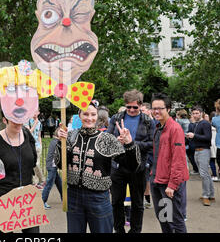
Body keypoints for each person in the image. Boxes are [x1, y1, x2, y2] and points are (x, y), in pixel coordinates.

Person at [57, 101, 141, 233]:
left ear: (97, 116)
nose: (89, 118)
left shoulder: (107, 139)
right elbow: (59, 163)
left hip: (98, 199)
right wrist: (59, 142)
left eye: (93, 114)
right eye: (85, 114)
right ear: (79, 115)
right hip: (74, 196)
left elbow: (132, 166)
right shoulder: (71, 136)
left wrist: (129, 143)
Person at [107, 89, 155, 233]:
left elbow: (152, 144)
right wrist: (117, 141)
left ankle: (135, 231)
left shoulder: (148, 121)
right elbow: (107, 139)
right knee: (116, 202)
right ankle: (119, 230)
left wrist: (131, 143)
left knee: (138, 203)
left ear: (140, 105)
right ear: (125, 105)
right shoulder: (116, 118)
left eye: (135, 107)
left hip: (139, 167)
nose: (132, 110)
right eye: (129, 107)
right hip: (118, 165)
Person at [150, 93, 189, 233]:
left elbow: (179, 160)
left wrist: (172, 185)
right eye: (154, 108)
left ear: (169, 109)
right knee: (163, 218)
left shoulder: (175, 128)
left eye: (160, 108)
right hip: (156, 179)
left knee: (175, 220)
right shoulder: (158, 127)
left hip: (169, 183)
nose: (156, 111)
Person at [186, 106, 214, 206]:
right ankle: (210, 194)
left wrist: (194, 136)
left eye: (197, 113)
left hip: (204, 150)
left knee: (203, 174)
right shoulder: (197, 124)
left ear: (202, 113)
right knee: (205, 173)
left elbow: (208, 137)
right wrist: (190, 136)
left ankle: (206, 196)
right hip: (197, 150)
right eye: (193, 113)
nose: (195, 115)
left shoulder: (205, 123)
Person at [41, 127, 63, 209]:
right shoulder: (57, 142)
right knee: (49, 184)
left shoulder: (56, 141)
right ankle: (42, 201)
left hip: (52, 166)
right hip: (52, 166)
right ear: (57, 133)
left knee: (59, 183)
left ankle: (64, 199)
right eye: (60, 132)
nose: (62, 133)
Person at [26, 109, 45, 189]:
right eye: (33, 111)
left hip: (37, 145)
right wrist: (35, 123)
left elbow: (39, 135)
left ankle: (39, 181)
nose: (35, 113)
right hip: (30, 145)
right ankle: (39, 181)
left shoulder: (39, 123)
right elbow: (28, 132)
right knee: (33, 164)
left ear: (38, 113)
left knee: (36, 163)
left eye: (36, 111)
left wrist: (40, 145)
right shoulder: (27, 121)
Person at [208, 111, 220, 182]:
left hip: (211, 144)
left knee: (212, 161)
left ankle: (214, 175)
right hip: (219, 144)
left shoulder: (209, 125)